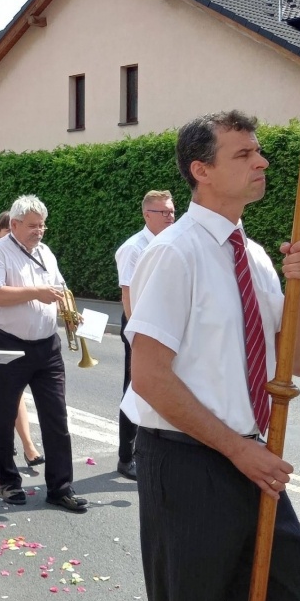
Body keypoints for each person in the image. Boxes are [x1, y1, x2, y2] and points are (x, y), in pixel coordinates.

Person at [123, 111, 300, 601]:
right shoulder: (174, 254)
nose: (262, 161)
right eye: (244, 153)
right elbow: (149, 376)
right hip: (188, 463)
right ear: (201, 170)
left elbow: (295, 361)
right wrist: (238, 450)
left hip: (247, 458)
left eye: (260, 151)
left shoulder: (261, 256)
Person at [0, 195, 87, 512]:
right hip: (7, 342)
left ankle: (60, 487)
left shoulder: (45, 253)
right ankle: (8, 482)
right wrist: (36, 293)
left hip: (46, 344)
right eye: (32, 226)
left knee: (56, 417)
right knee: (4, 415)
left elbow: (60, 288)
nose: (39, 231)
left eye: (42, 225)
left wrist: (69, 311)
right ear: (13, 225)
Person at [113, 189, 175, 480]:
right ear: (146, 215)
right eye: (163, 212)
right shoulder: (134, 247)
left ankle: (153, 448)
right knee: (134, 388)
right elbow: (128, 295)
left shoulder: (170, 242)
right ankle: (126, 458)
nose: (170, 216)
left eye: (172, 211)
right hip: (140, 325)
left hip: (164, 324)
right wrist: (134, 336)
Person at [0, 211, 44, 467]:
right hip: (1, 335)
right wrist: (35, 294)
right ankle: (18, 450)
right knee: (7, 401)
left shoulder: (40, 253)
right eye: (6, 232)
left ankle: (27, 445)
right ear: (2, 231)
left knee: (17, 398)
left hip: (38, 341)